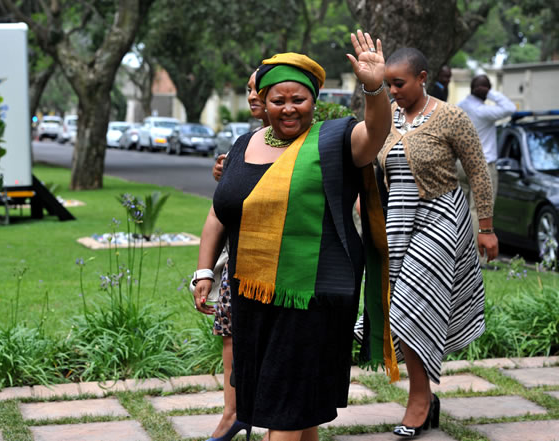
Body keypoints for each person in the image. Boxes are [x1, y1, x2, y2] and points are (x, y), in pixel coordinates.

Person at [193, 30, 398, 441]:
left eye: (298, 99)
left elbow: (375, 133)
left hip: (311, 296)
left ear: (314, 101)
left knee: (284, 410)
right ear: (263, 104)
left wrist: (374, 87)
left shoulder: (333, 141)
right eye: (278, 100)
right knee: (296, 408)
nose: (289, 109)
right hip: (253, 296)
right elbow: (222, 208)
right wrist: (203, 271)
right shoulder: (243, 145)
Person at [374, 48, 498, 438]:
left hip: (441, 217)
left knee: (408, 306)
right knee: (407, 309)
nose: (392, 91)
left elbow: (478, 171)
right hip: (398, 221)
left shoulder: (450, 116)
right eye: (388, 84)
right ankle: (425, 395)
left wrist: (487, 227)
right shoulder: (386, 118)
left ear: (422, 77)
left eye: (399, 83)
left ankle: (419, 399)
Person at [205, 70, 270, 441]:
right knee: (230, 332)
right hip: (238, 256)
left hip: (282, 259)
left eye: (258, 88)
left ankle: (278, 419)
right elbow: (222, 207)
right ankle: (233, 413)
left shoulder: (306, 139)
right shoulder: (244, 141)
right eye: (247, 89)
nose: (251, 96)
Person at [457, 74, 516, 242]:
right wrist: (491, 94)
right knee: (480, 211)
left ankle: (457, 254)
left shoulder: (460, 106)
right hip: (482, 165)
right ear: (483, 90)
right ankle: (478, 257)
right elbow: (509, 108)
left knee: (460, 209)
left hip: (460, 164)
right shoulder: (483, 111)